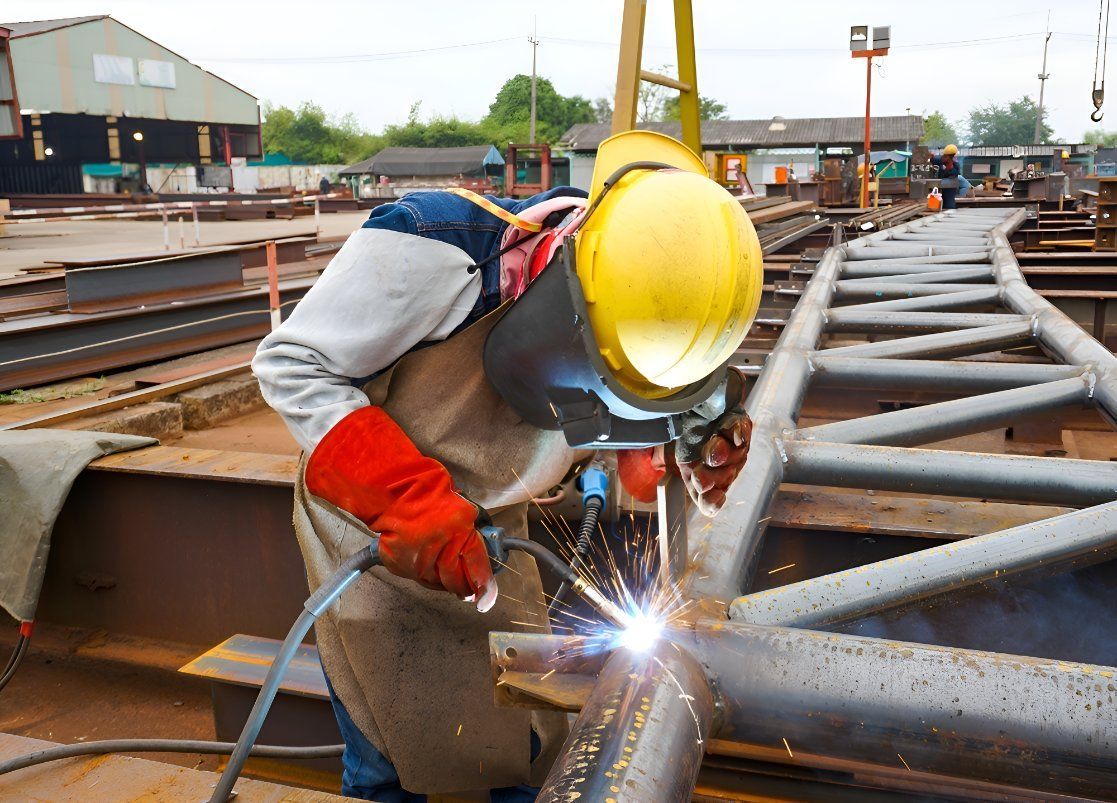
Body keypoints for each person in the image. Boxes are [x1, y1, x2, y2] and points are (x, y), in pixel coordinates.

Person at [252, 131, 763, 801]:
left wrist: (684, 438)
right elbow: (290, 365)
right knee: (387, 752)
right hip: (373, 535)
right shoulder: (433, 246)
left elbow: (668, 401)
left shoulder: (663, 294)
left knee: (521, 741)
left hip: (494, 527)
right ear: (570, 299)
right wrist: (404, 496)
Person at [930, 144, 962, 209]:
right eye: (944, 156)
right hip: (940, 187)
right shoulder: (941, 161)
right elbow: (934, 160)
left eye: (946, 156)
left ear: (951, 157)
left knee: (949, 205)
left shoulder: (956, 165)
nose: (943, 157)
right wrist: (932, 157)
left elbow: (955, 175)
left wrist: (949, 168)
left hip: (950, 189)